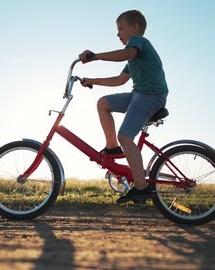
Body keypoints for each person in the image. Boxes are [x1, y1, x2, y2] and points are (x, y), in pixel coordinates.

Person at [79, 10, 169, 203]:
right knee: (103, 103)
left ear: (135, 28)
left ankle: (141, 187)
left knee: (126, 135)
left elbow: (125, 53)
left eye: (121, 29)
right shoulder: (133, 57)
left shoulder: (138, 43)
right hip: (138, 95)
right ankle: (112, 148)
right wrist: (92, 80)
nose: (118, 34)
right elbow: (119, 80)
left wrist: (95, 56)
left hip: (151, 95)